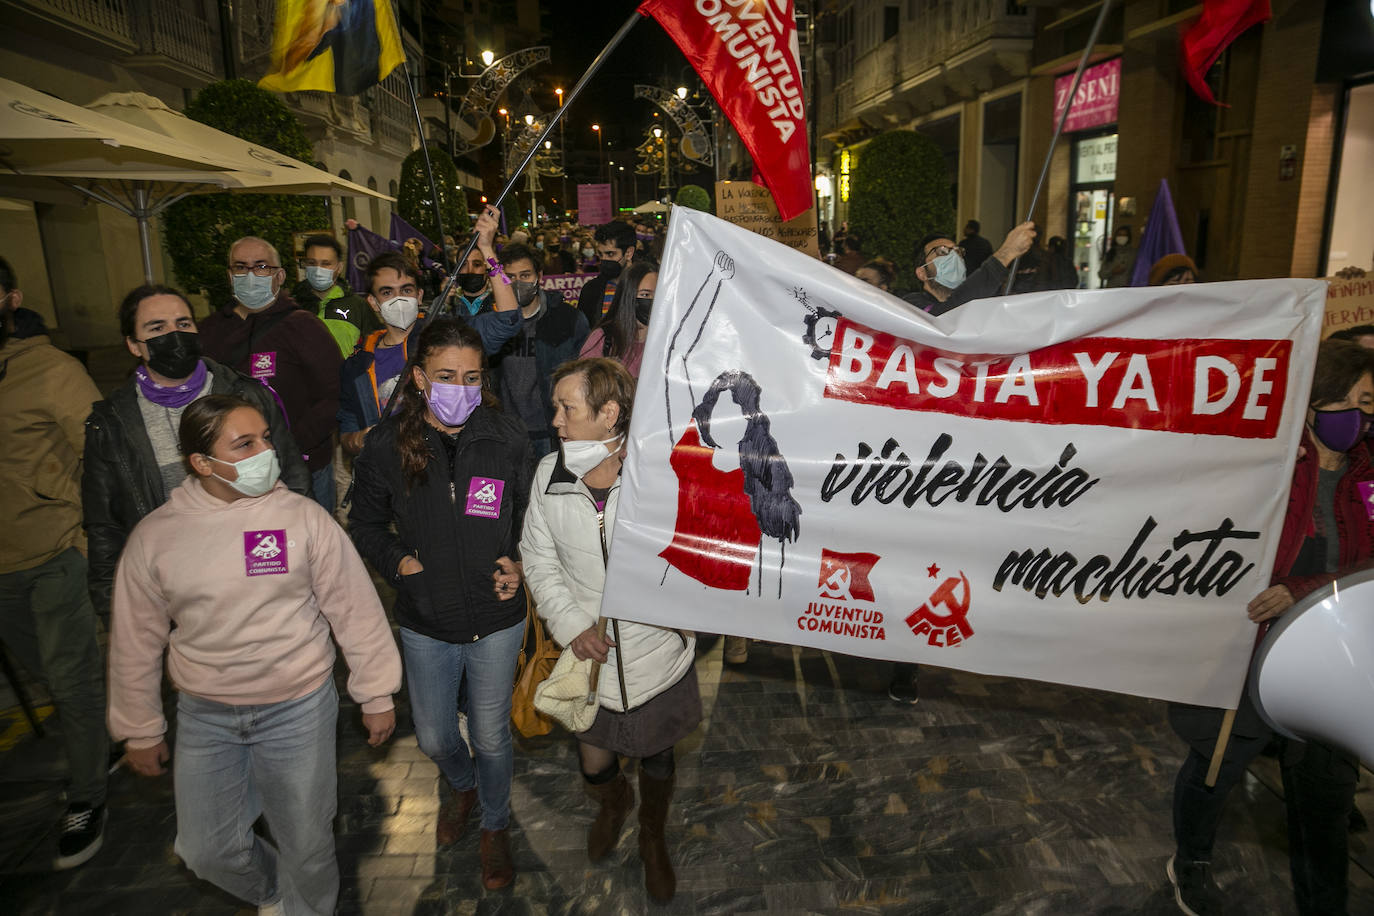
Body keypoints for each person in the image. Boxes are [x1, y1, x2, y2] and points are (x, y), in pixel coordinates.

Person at [108, 394, 402, 915]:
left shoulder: (301, 518)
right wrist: (141, 724)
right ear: (202, 463)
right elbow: (136, 638)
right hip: (206, 715)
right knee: (206, 849)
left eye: (265, 437)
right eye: (244, 444)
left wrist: (375, 690)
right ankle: (274, 895)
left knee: (307, 845)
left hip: (298, 707)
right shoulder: (156, 537)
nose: (265, 450)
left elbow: (354, 608)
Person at [1166, 338, 1374, 916]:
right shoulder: (1266, 469)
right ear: (1317, 404)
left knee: (1328, 800)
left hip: (1335, 658)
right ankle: (1192, 861)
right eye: (1358, 400)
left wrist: (1304, 592)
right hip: (1248, 648)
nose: (1366, 415)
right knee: (1219, 766)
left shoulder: (1368, 479)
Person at [348, 317, 532, 890]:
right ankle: (461, 784)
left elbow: (531, 517)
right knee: (433, 736)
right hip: (427, 619)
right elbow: (367, 523)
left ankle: (495, 826)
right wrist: (400, 562)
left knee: (493, 734)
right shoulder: (386, 445)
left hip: (498, 616)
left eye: (472, 377)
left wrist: (521, 562)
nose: (461, 387)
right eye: (448, 375)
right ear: (422, 378)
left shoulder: (506, 437)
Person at [520, 357, 701, 904]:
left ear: (609, 413)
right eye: (557, 407)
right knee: (594, 763)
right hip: (589, 656)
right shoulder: (549, 474)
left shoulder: (658, 472)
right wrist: (573, 626)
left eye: (566, 408)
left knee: (659, 755)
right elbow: (538, 558)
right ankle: (613, 802)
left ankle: (651, 835)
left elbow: (693, 550)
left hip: (656, 650)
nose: (555, 419)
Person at [84, 284, 310, 619]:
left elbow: (292, 477)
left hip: (260, 577)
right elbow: (104, 524)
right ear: (134, 345)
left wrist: (296, 561)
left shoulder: (245, 395)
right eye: (157, 328)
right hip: (174, 592)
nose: (174, 335)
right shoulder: (112, 423)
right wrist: (115, 607)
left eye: (183, 323)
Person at [0, 257, 109, 868]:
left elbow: (101, 458)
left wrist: (84, 535)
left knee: (69, 677)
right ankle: (101, 734)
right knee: (47, 670)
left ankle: (89, 794)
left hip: (53, 552)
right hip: (1, 563)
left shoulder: (50, 372)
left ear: (10, 299)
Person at [197, 236, 342, 514]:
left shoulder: (303, 327)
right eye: (241, 267)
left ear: (280, 275)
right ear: (230, 275)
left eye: (261, 267)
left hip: (301, 468)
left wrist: (284, 446)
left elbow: (334, 394)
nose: (251, 275)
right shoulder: (210, 331)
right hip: (231, 476)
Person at [492, 243, 590, 458]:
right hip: (507, 431)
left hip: (553, 430)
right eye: (510, 277)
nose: (518, 283)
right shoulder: (493, 324)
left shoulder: (567, 319)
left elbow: (586, 375)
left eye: (525, 275)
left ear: (540, 276)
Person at [901, 221, 1037, 316]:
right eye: (942, 252)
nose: (954, 257)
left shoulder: (981, 304)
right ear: (922, 273)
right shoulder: (912, 305)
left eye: (957, 252)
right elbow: (942, 316)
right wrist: (1005, 254)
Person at [292, 234, 380, 357]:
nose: (318, 270)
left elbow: (378, 347)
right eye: (312, 262)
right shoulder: (292, 305)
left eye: (326, 263)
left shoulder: (357, 306)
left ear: (339, 267)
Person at [580, 259, 657, 378]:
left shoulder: (672, 340)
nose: (653, 300)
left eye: (658, 294)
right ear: (628, 296)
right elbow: (584, 383)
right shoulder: (603, 339)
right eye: (645, 295)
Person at [577, 221, 637, 332]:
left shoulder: (647, 288)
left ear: (629, 253)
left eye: (610, 254)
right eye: (600, 254)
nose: (604, 259)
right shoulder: (590, 290)